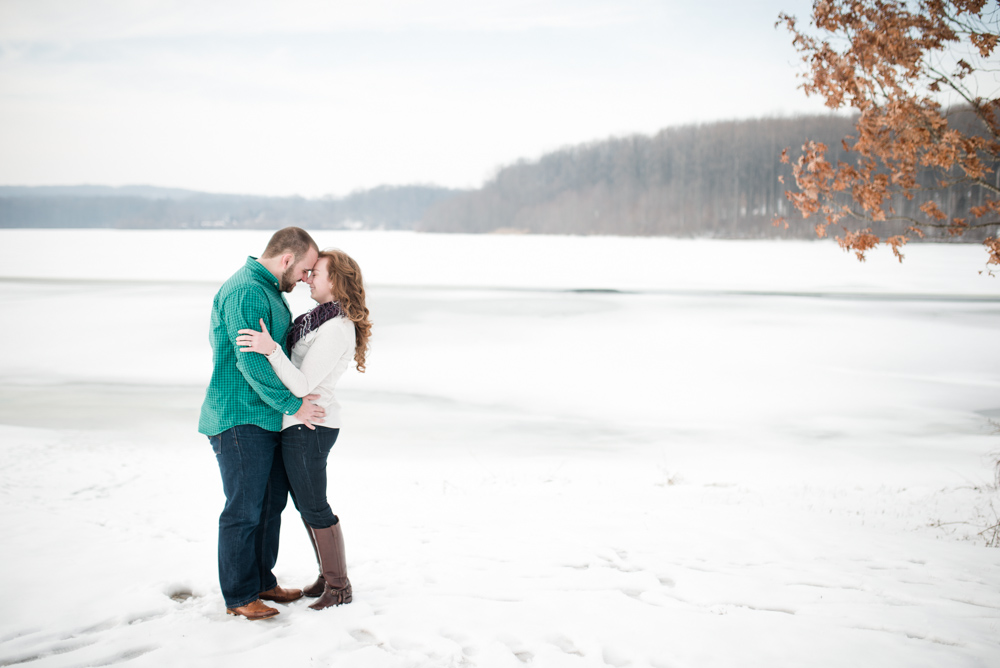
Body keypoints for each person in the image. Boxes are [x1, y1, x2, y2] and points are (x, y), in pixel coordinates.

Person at [198, 227, 326, 621]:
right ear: (286, 259)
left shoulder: (266, 287)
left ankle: (261, 581)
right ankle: (239, 595)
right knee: (244, 509)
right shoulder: (247, 291)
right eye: (305, 270)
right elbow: (249, 361)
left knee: (270, 504)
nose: (306, 279)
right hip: (238, 417)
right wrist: (294, 404)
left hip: (264, 416)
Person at [236, 248, 371, 611]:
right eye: (308, 272)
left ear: (337, 281)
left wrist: (269, 349)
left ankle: (339, 587)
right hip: (301, 424)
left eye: (317, 273)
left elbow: (302, 383)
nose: (309, 278)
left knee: (314, 506)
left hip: (311, 426)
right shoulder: (320, 319)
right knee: (305, 504)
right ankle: (328, 577)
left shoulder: (337, 328)